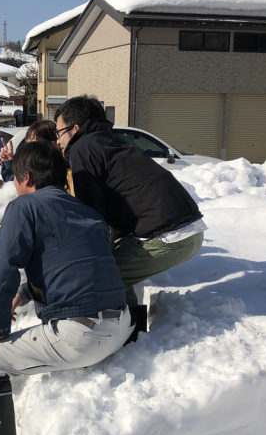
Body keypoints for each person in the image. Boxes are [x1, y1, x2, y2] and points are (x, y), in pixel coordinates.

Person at [0, 141, 132, 435]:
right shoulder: (87, 211)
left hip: (82, 335)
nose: (15, 187)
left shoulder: (25, 207)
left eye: (16, 181)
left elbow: (1, 270)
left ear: (27, 177)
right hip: (119, 324)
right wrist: (25, 294)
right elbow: (74, 266)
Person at [54, 95, 206, 320]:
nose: (58, 141)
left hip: (172, 237)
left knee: (109, 274)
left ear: (75, 128)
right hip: (189, 231)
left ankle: (130, 335)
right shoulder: (107, 141)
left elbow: (92, 213)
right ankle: (130, 329)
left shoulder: (83, 148)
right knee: (114, 265)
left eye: (59, 133)